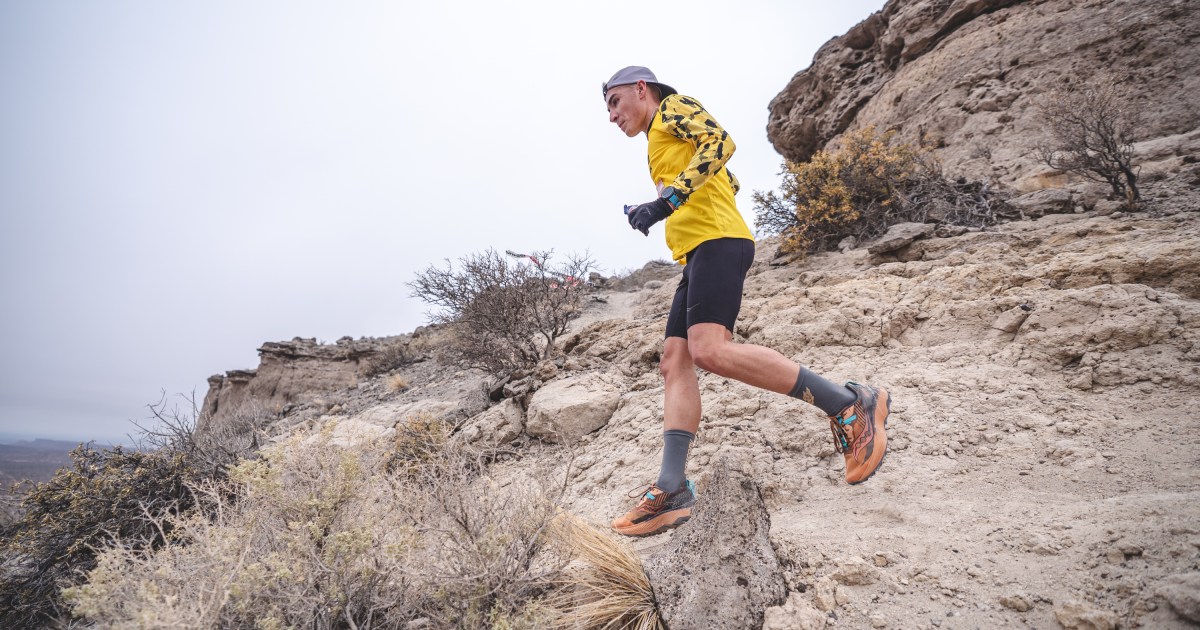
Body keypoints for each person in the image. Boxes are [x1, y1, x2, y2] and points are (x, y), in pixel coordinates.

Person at [603, 66, 893, 537]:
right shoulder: (658, 141)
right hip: (697, 252)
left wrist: (668, 201)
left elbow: (720, 143)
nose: (612, 115)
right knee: (674, 362)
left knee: (709, 350)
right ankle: (672, 488)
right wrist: (654, 207)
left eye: (614, 102)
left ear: (642, 89)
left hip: (720, 242)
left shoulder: (672, 108)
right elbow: (727, 180)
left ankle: (849, 405)